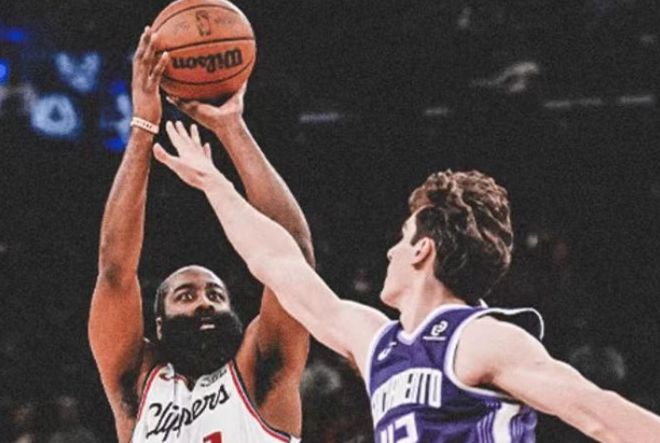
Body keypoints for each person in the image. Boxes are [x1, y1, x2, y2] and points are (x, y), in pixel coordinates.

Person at [154, 123, 660, 443]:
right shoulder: (379, 342)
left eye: (402, 238)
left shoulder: (480, 339)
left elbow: (599, 413)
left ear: (423, 250)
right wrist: (213, 180)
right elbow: (278, 264)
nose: (390, 252)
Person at [89, 27, 314, 443]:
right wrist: (143, 127)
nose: (205, 303)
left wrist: (232, 129)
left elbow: (293, 259)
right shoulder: (138, 386)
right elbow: (115, 270)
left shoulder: (260, 371)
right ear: (158, 325)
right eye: (186, 296)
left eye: (215, 294)